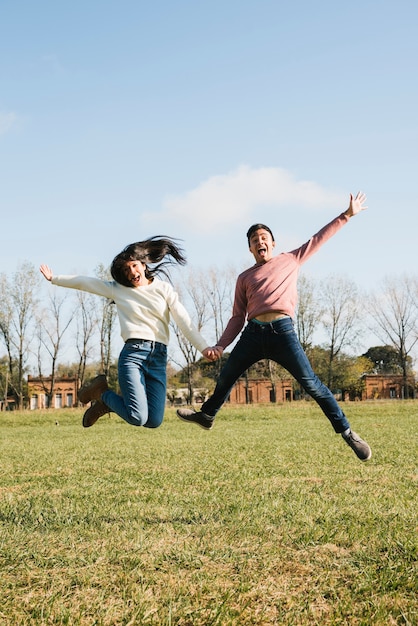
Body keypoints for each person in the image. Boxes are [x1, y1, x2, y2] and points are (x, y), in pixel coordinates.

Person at [177, 192, 372, 461]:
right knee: (226, 377)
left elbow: (319, 239)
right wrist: (221, 344)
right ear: (250, 248)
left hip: (283, 333)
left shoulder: (290, 260)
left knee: (313, 385)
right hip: (253, 333)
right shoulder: (244, 277)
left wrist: (347, 215)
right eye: (255, 240)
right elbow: (237, 317)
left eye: (264, 239)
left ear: (273, 243)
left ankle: (348, 433)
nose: (260, 242)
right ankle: (207, 415)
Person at [40, 237, 216, 428]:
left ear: (143, 264)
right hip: (134, 354)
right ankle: (102, 394)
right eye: (126, 270)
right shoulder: (119, 289)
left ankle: (105, 402)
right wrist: (54, 279)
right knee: (137, 417)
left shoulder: (163, 289)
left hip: (158, 357)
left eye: (134, 265)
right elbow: (86, 283)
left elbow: (183, 320)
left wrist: (203, 347)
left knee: (154, 421)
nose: (131, 272)